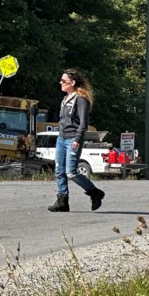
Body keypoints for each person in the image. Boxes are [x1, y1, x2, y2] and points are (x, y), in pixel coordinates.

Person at [48, 69, 105, 212]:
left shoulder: (81, 99)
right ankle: (62, 201)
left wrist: (77, 139)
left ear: (72, 82)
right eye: (61, 80)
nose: (60, 83)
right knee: (59, 170)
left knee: (71, 172)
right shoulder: (65, 99)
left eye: (63, 81)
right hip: (62, 138)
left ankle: (94, 192)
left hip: (73, 139)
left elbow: (83, 123)